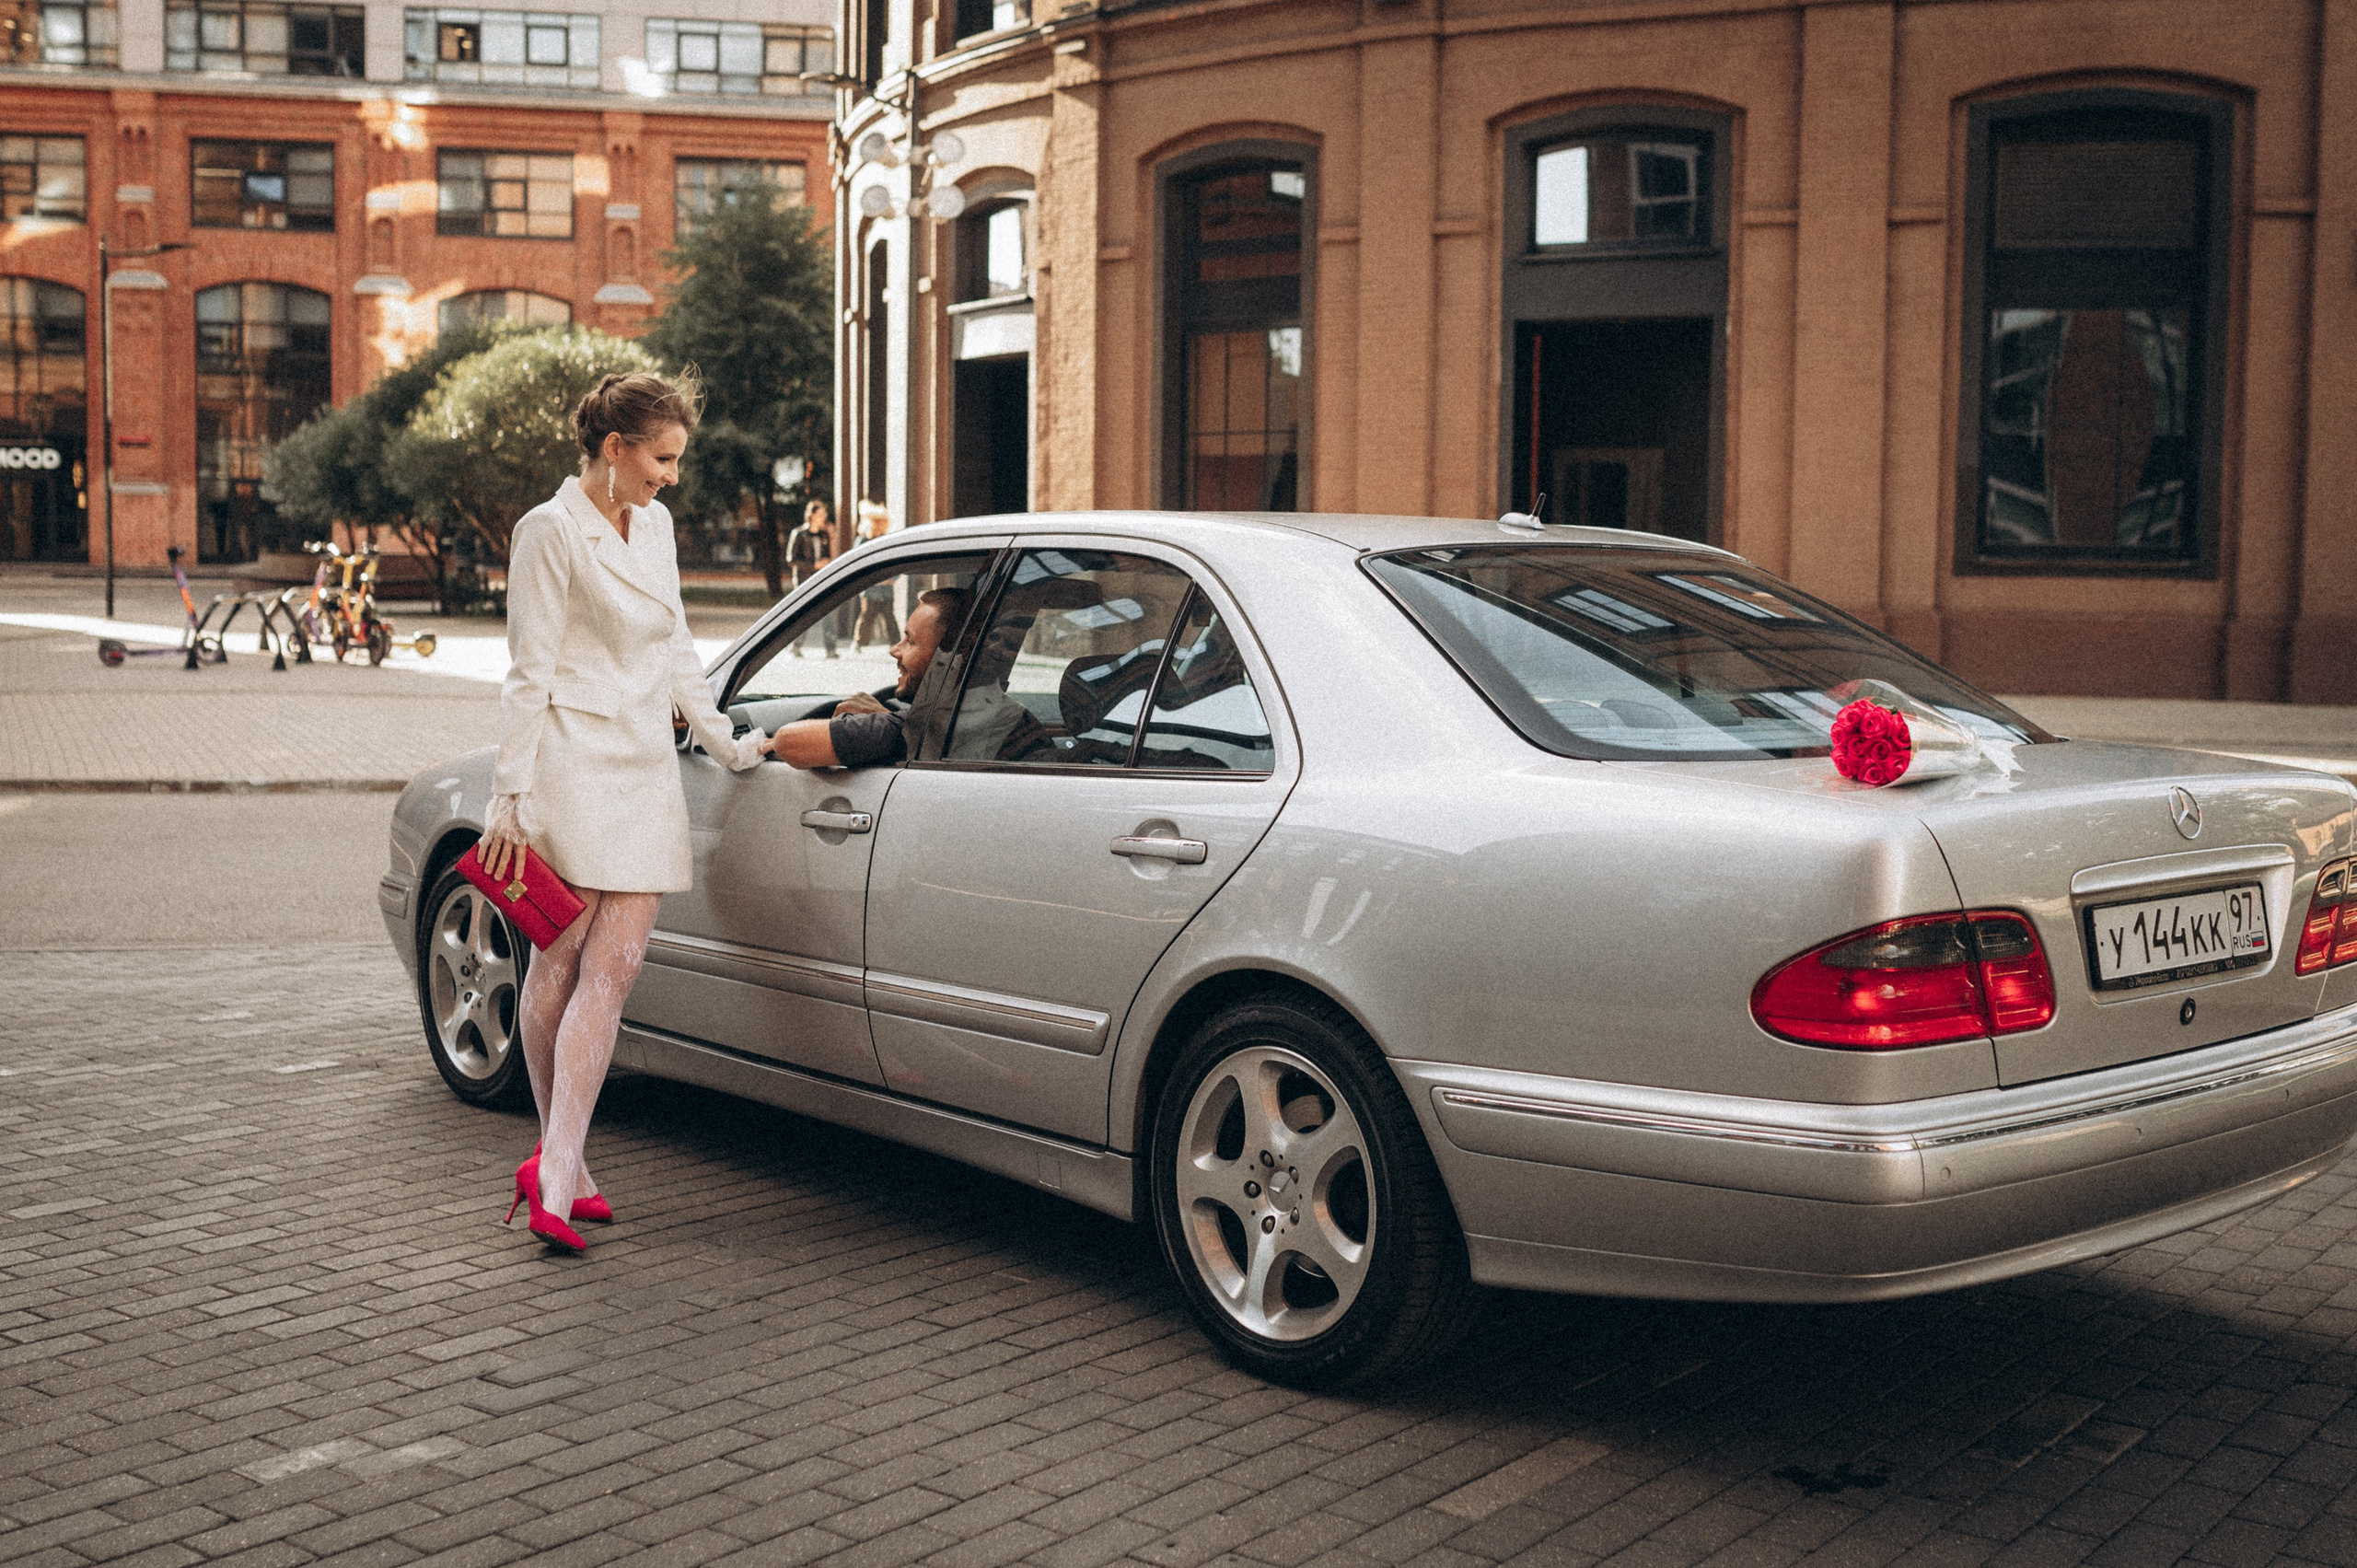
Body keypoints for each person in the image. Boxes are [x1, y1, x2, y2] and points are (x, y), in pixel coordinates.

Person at [478, 370, 774, 1254]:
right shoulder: (549, 531)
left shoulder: (659, 526)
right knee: (558, 971)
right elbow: (528, 673)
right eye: (661, 458)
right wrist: (509, 796)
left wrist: (726, 743)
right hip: (568, 766)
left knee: (611, 978)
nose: (671, 476)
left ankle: (557, 1174)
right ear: (614, 449)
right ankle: (560, 1163)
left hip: (644, 772)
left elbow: (678, 644)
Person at [784, 499, 836, 657]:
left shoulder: (824, 534)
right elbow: (791, 559)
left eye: (824, 514)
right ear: (812, 515)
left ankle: (831, 649)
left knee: (828, 612)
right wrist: (814, 565)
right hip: (804, 581)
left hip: (822, 579)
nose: (823, 517)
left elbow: (829, 556)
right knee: (804, 616)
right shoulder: (799, 534)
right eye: (820, 514)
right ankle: (796, 645)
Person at [851, 502, 900, 652]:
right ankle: (859, 642)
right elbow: (857, 564)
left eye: (883, 523)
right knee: (867, 616)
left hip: (886, 588)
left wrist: (892, 578)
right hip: (870, 589)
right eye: (877, 523)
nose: (880, 526)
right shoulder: (863, 541)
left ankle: (895, 643)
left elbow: (897, 563)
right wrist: (872, 579)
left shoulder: (888, 540)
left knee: (889, 617)